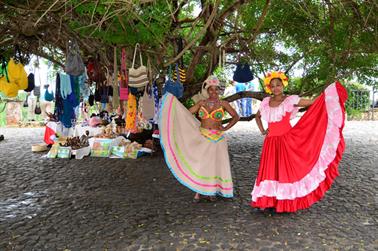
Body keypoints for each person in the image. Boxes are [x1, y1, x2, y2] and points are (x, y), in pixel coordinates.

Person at [250, 71, 347, 213]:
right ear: (269, 88)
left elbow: (313, 102)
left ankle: (284, 201)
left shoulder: (290, 100)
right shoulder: (265, 102)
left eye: (278, 85)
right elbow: (257, 116)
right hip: (270, 142)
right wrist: (263, 130)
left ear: (283, 85)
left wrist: (327, 94)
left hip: (286, 140)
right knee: (270, 171)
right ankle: (269, 200)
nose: (276, 88)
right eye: (273, 86)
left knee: (284, 171)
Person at [159, 75, 239, 202]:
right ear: (207, 91)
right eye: (210, 89)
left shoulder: (224, 103)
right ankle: (198, 191)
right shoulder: (201, 103)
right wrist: (173, 105)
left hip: (218, 139)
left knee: (214, 164)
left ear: (219, 90)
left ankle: (211, 191)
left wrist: (226, 128)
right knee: (202, 164)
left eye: (216, 89)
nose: (213, 92)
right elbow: (186, 113)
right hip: (203, 136)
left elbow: (236, 116)